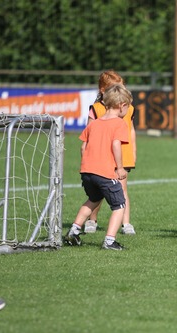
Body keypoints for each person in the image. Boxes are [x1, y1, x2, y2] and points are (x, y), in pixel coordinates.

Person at [64, 83, 132, 250]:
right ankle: (109, 241)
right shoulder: (119, 123)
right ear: (122, 105)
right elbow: (116, 144)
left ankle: (74, 231)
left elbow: (83, 147)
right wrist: (120, 167)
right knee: (119, 205)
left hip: (87, 172)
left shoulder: (94, 124)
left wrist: (87, 165)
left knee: (94, 199)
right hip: (105, 173)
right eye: (128, 107)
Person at [84, 70, 137, 235]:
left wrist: (133, 150)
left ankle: (126, 223)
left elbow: (131, 130)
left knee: (122, 189)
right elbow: (89, 133)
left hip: (123, 153)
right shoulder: (97, 109)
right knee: (98, 191)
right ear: (103, 90)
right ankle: (92, 220)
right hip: (102, 155)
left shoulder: (128, 108)